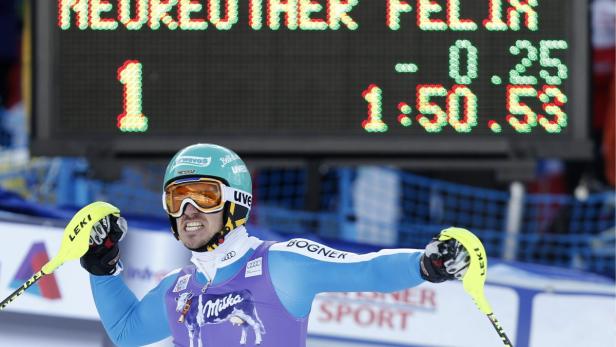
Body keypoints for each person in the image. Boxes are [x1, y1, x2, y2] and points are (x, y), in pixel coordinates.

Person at [81, 143, 471, 347]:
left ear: (236, 203)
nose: (188, 210)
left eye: (203, 195)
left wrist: (425, 264)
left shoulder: (281, 265)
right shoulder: (178, 287)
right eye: (176, 199)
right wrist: (102, 269)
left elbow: (365, 268)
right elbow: (127, 332)